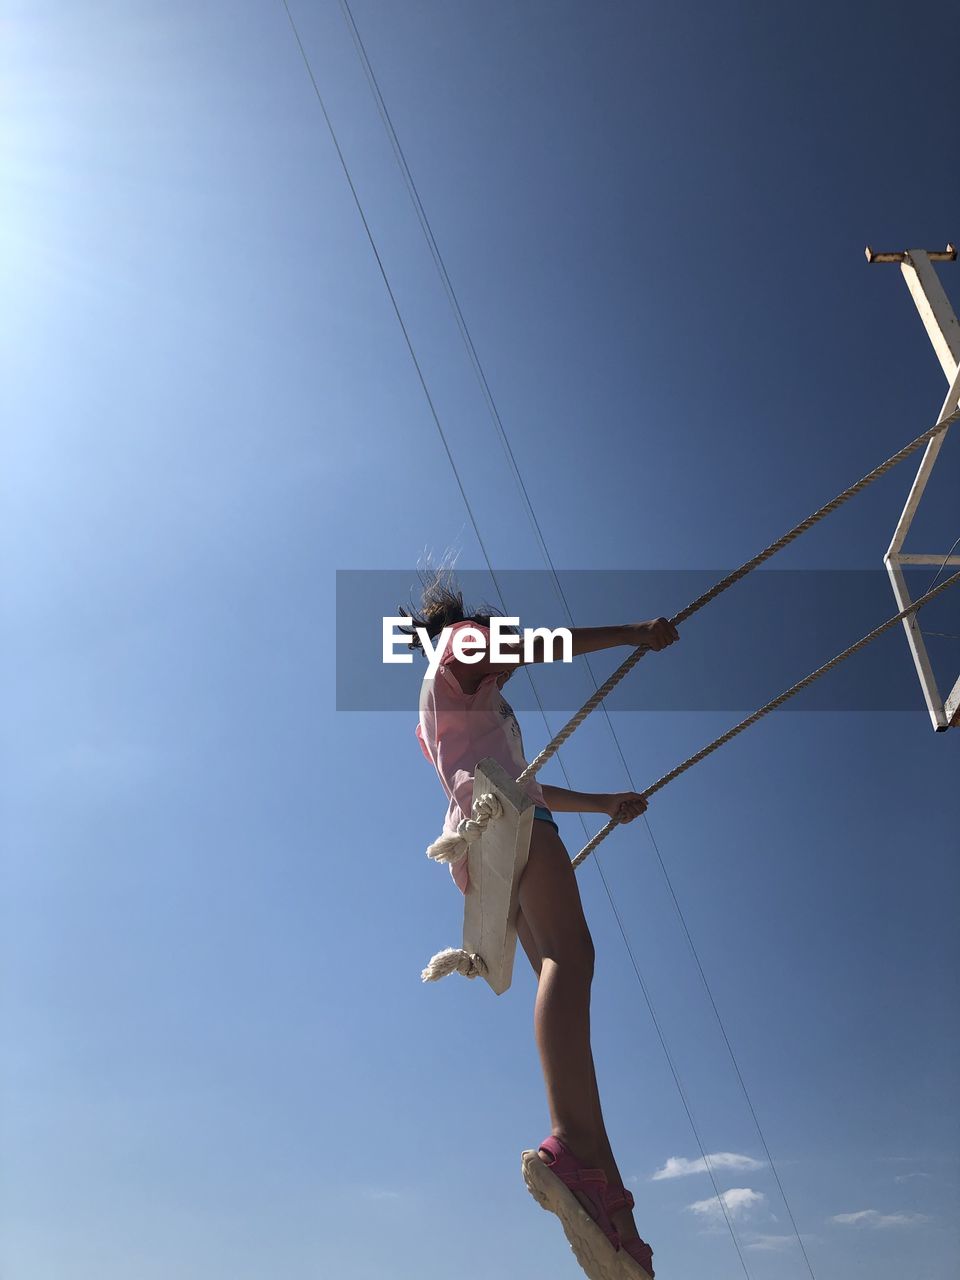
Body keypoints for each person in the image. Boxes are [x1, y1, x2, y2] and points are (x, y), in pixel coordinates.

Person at [404, 572, 679, 1279]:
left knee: (562, 967)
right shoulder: (464, 648)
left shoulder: (444, 709)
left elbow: (525, 777)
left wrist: (604, 802)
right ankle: (571, 1149)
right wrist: (631, 634)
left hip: (489, 827)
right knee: (571, 958)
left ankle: (613, 1215)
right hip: (507, 818)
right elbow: (537, 646)